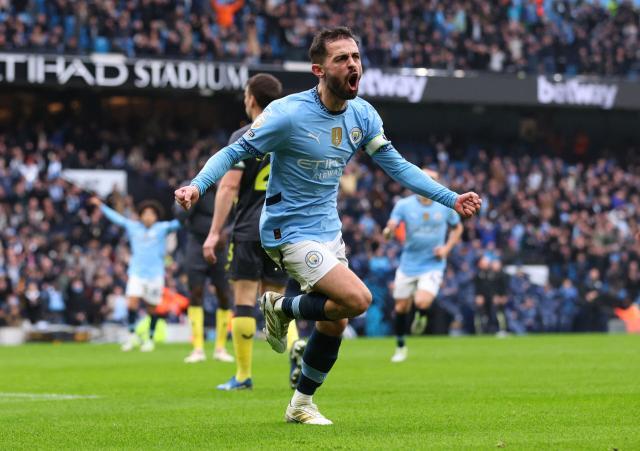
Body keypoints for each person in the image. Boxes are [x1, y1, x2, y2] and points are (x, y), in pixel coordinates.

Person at [175, 27, 482, 425]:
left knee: (335, 319)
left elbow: (400, 168)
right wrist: (198, 185)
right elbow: (234, 151)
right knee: (359, 299)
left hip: (327, 231)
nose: (353, 64)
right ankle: (282, 307)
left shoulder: (363, 115)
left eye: (355, 56)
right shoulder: (287, 113)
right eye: (342, 58)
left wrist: (451, 198)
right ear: (319, 69)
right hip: (287, 231)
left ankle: (300, 404)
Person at [202, 73, 304, 391]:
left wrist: (214, 231)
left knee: (244, 299)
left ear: (251, 99)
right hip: (282, 229)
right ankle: (296, 348)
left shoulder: (244, 136)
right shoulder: (290, 136)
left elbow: (228, 186)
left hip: (248, 228)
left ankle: (244, 375)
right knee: (276, 299)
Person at [382, 169, 463, 363]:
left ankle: (421, 315)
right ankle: (401, 347)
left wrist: (446, 248)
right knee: (401, 307)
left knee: (422, 301)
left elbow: (458, 227)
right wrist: (388, 232)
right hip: (408, 263)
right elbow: (390, 228)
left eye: (432, 179)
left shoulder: (444, 206)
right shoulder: (403, 205)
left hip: (432, 264)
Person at [89, 197, 180, 352]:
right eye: (145, 213)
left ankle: (149, 339)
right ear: (140, 215)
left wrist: (192, 207)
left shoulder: (162, 228)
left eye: (151, 214)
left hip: (155, 274)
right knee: (131, 304)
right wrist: (101, 206)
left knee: (152, 308)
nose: (148, 217)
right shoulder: (133, 227)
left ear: (156, 216)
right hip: (136, 273)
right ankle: (131, 337)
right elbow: (117, 219)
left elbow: (180, 222)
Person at [176, 173, 234, 364]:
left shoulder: (229, 188)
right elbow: (179, 215)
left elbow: (239, 215)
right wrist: (185, 201)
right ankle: (198, 348)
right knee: (196, 293)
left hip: (221, 247)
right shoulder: (192, 188)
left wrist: (227, 232)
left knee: (224, 294)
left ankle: (220, 348)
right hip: (196, 245)